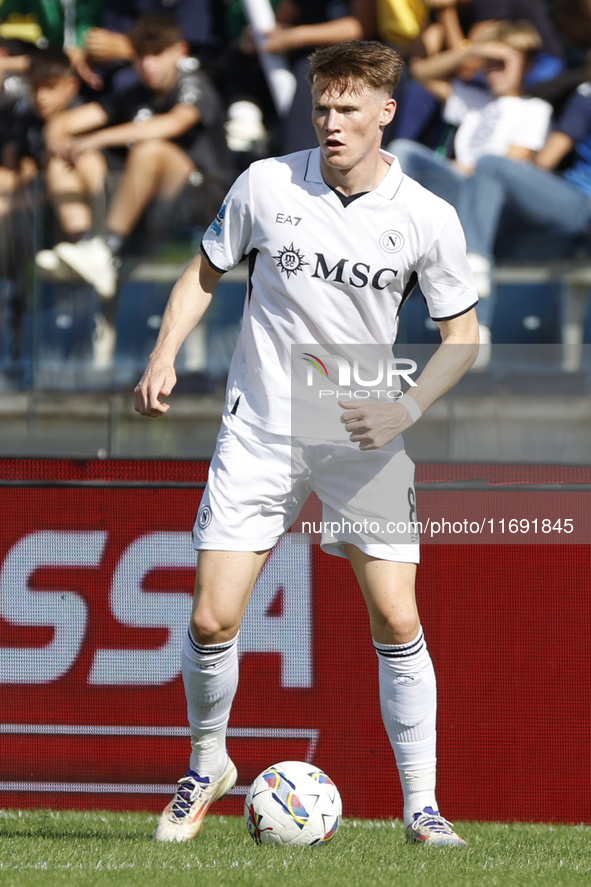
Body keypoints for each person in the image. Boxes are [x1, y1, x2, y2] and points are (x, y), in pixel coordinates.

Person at [134, 40, 479, 846]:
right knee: (214, 619)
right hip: (259, 423)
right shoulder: (265, 183)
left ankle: (421, 806)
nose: (331, 121)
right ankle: (207, 763)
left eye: (349, 108)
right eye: (322, 106)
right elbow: (203, 272)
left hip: (358, 421)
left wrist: (405, 408)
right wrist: (163, 353)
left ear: (384, 113)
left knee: (396, 618)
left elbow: (461, 338)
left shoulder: (427, 215)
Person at [37, 14, 232, 301]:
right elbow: (64, 124)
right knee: (70, 158)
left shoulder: (193, 82)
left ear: (179, 52)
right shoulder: (135, 91)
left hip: (204, 200)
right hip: (144, 202)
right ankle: (83, 244)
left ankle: (106, 249)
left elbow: (174, 124)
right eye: (140, 56)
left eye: (156, 55)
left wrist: (95, 137)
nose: (147, 65)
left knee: (148, 149)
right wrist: (58, 144)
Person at [388, 19, 552, 341]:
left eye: (503, 63)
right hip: (457, 184)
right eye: (488, 63)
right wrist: (474, 50)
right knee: (402, 150)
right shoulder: (474, 100)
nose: (493, 70)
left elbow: (513, 163)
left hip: (493, 198)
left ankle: (477, 323)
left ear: (528, 65)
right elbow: (421, 73)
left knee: (488, 170)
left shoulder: (535, 108)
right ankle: (391, 236)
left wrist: (465, 168)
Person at [454, 80, 591, 297]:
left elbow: (547, 160)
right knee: (487, 220)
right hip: (578, 211)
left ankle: (473, 264)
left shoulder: (587, 95)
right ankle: (479, 323)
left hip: (581, 206)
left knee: (490, 166)